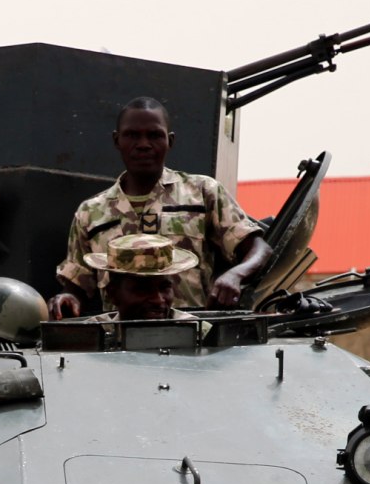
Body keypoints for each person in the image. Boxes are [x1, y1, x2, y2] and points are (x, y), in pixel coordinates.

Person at [50, 97, 271, 317]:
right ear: (117, 141)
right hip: (119, 343)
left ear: (170, 141)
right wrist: (68, 298)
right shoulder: (91, 213)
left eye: (154, 135)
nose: (144, 144)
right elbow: (77, 285)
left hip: (191, 337)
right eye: (132, 135)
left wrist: (236, 275)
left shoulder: (202, 193)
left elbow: (258, 249)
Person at [80, 233, 199, 322]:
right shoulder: (90, 337)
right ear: (112, 294)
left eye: (164, 288)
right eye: (143, 289)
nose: (158, 300)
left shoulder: (199, 333)